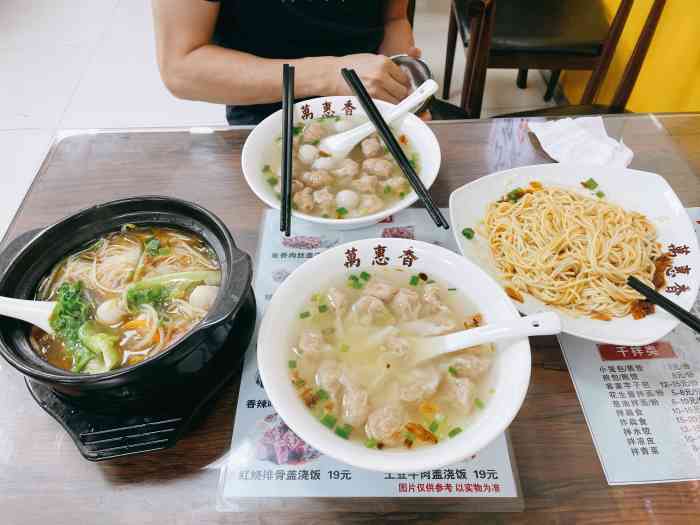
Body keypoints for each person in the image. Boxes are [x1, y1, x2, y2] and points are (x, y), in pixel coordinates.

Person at [152, 0, 422, 125]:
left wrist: (397, 85)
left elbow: (394, 19)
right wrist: (331, 76)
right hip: (266, 112)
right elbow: (181, 67)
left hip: (368, 108)